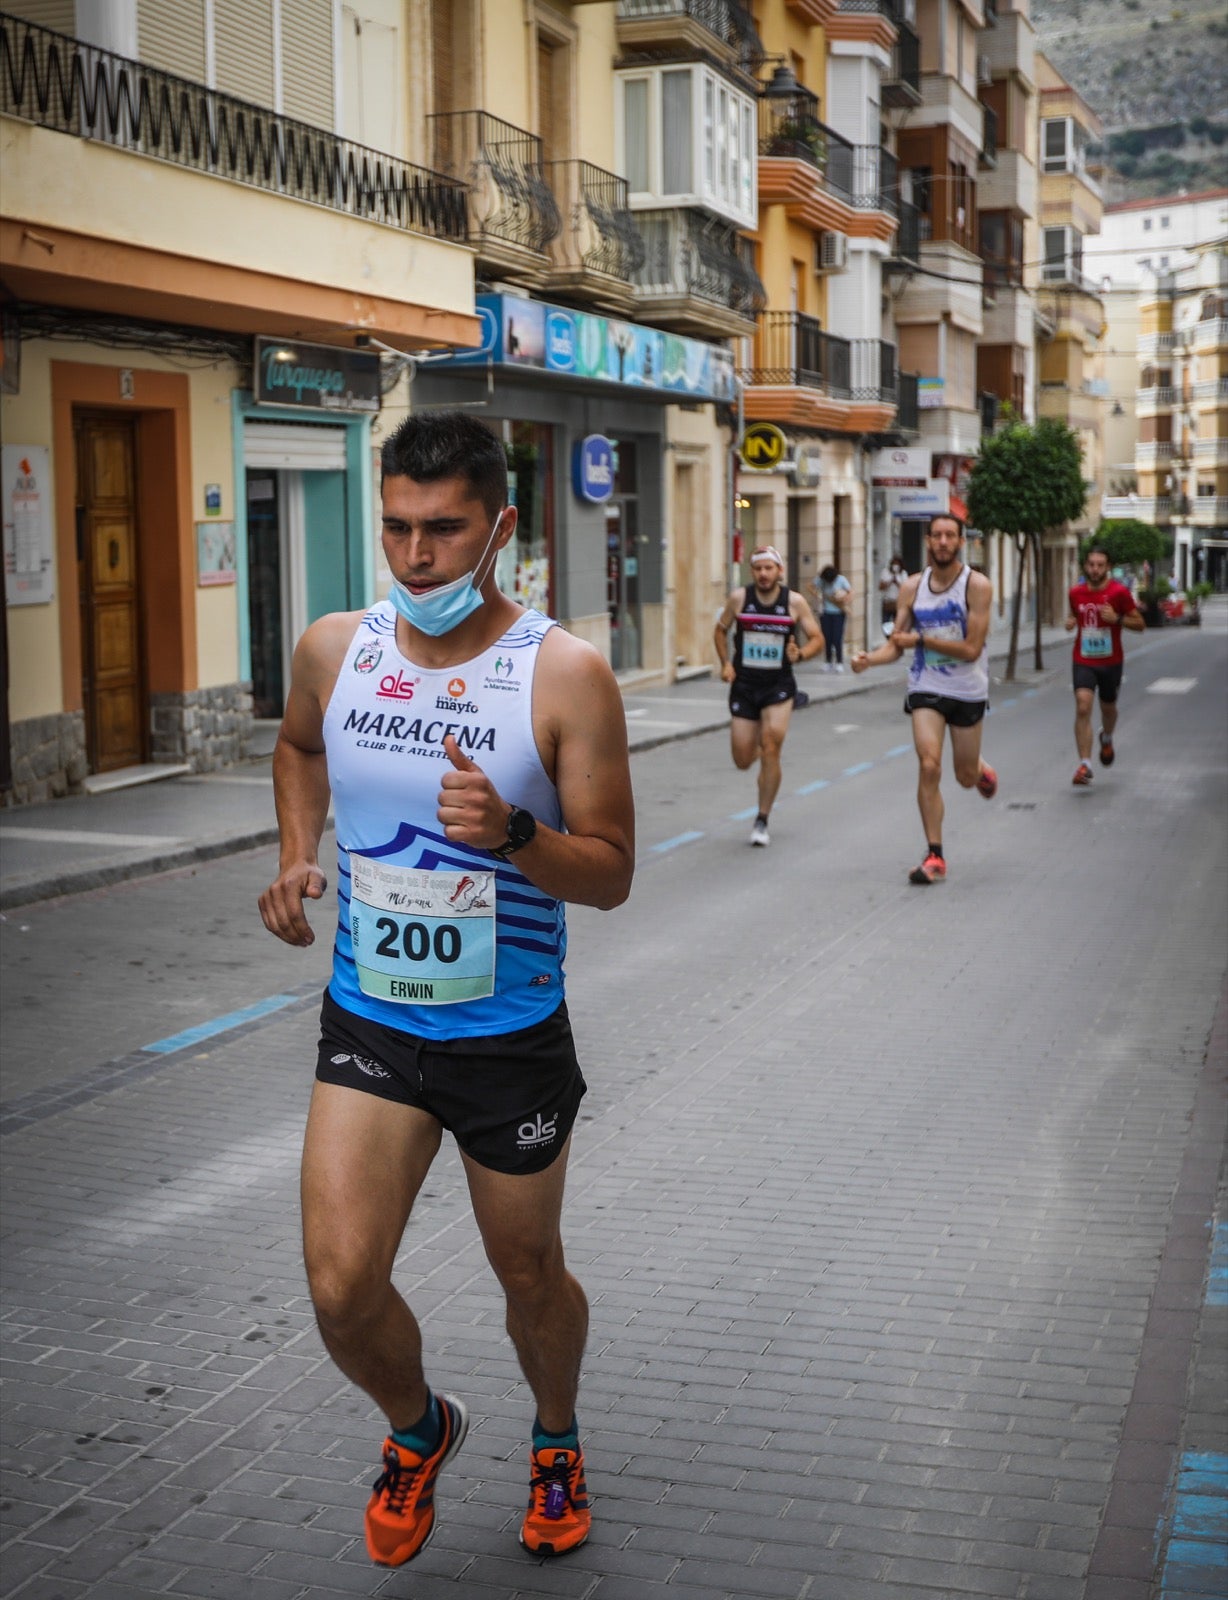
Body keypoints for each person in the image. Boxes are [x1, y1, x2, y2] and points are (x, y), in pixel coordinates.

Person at [258, 412, 634, 1568]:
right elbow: (300, 746)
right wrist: (296, 850)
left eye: (445, 529)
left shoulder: (562, 674)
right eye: (397, 528)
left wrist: (515, 831)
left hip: (507, 1035)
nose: (416, 556)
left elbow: (611, 872)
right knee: (338, 1285)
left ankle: (556, 1436)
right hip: (372, 1020)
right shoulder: (335, 648)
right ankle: (419, 1428)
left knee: (528, 1273)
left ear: (500, 528)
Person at [850, 514, 997, 884]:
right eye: (937, 536)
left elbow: (971, 649)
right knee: (929, 765)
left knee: (964, 776)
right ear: (928, 541)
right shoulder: (912, 587)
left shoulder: (977, 586)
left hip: (967, 688)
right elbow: (896, 645)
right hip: (926, 684)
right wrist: (869, 660)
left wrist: (921, 640)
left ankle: (979, 768)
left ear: (961, 541)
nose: (943, 542)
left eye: (950, 536)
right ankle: (935, 855)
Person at [714, 545, 824, 847]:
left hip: (778, 685)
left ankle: (762, 818)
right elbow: (720, 631)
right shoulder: (739, 599)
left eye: (769, 568)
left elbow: (817, 639)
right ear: (752, 571)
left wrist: (800, 654)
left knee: (772, 744)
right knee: (742, 759)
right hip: (745, 686)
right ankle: (762, 752)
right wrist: (725, 664)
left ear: (779, 571)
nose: (764, 574)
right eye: (758, 568)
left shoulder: (794, 602)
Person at [1065, 541, 1144, 785]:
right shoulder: (1075, 593)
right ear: (1085, 566)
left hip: (1111, 662)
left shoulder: (1119, 593)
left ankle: (1107, 737)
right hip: (1083, 659)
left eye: (1100, 565)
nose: (1095, 569)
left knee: (1108, 709)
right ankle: (1085, 765)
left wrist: (1117, 618)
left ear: (1108, 566)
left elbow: (1140, 624)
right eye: (1091, 564)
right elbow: (1075, 614)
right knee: (1083, 706)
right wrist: (1071, 621)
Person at [814, 564, 853, 670]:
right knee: (827, 638)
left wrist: (843, 599)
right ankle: (828, 661)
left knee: (837, 637)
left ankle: (839, 662)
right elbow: (811, 586)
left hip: (839, 613)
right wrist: (818, 595)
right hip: (825, 612)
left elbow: (850, 592)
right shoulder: (821, 580)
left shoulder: (841, 579)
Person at [878, 554, 907, 632]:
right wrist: (890, 581)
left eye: (897, 564)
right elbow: (881, 587)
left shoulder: (903, 574)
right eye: (894, 564)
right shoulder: (886, 572)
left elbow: (905, 588)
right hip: (887, 602)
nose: (895, 566)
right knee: (886, 624)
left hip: (898, 603)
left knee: (898, 624)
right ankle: (888, 636)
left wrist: (897, 582)